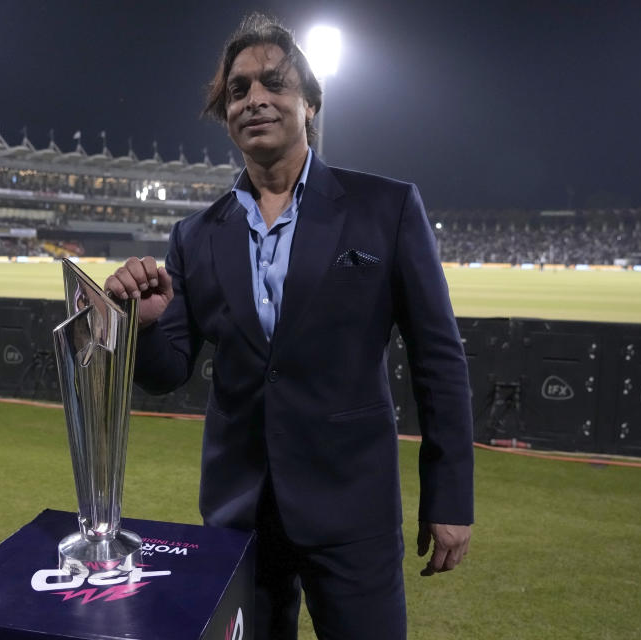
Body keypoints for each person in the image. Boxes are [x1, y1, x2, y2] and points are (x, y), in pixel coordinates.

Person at [106, 14, 473, 640]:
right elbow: (167, 374)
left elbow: (439, 362)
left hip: (353, 510)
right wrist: (141, 326)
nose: (254, 99)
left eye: (273, 83)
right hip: (240, 517)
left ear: (309, 101)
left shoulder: (385, 208)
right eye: (237, 91)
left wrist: (448, 499)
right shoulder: (194, 236)